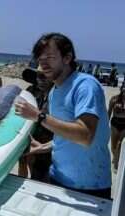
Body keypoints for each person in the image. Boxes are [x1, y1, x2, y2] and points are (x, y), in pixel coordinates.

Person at [15, 33, 111, 199]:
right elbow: (66, 134)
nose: (43, 63)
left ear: (67, 58)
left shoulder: (85, 85)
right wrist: (44, 147)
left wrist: (39, 116)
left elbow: (85, 136)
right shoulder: (54, 92)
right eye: (40, 58)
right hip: (57, 177)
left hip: (90, 186)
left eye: (50, 57)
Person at [18, 66, 53, 182]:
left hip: (46, 139)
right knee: (22, 161)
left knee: (38, 171)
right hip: (28, 134)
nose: (40, 80)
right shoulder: (30, 91)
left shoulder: (55, 95)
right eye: (39, 76)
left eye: (44, 76)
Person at [108, 86, 125, 170]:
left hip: (124, 125)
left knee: (119, 144)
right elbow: (109, 112)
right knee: (113, 146)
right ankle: (115, 157)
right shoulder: (114, 99)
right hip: (115, 124)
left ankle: (116, 165)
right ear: (121, 89)